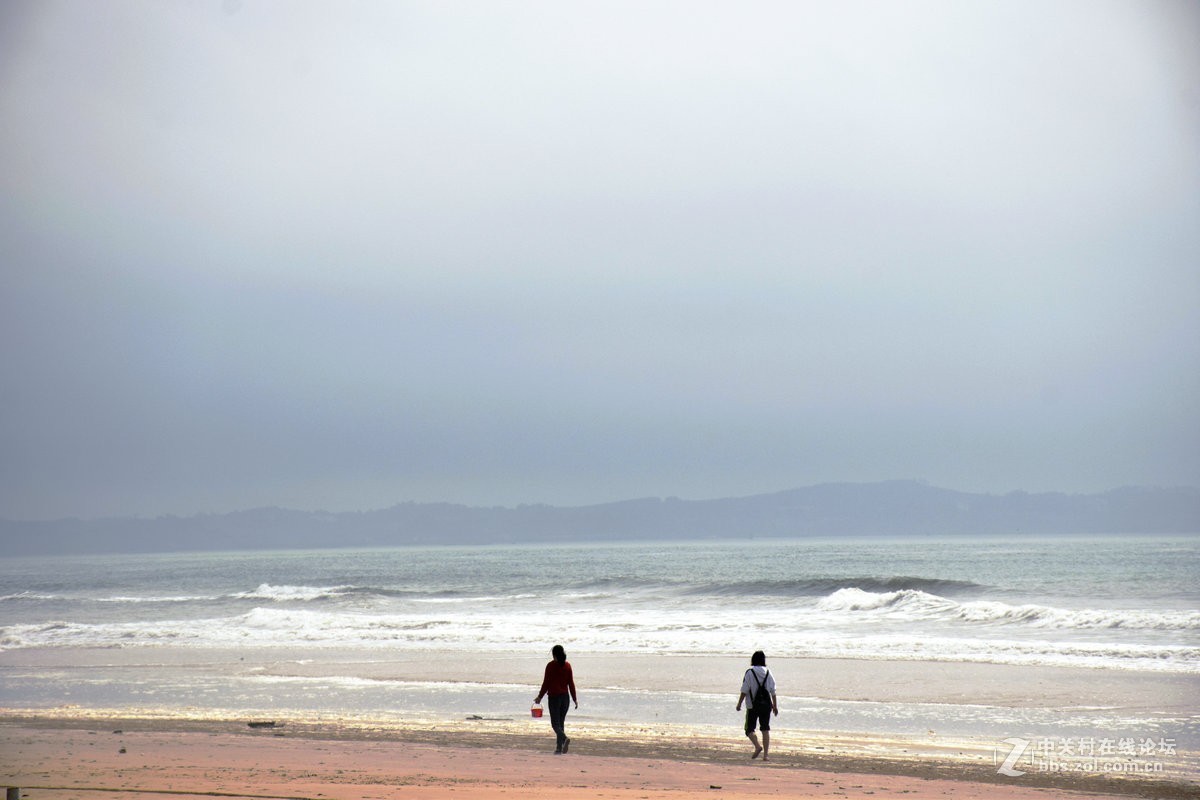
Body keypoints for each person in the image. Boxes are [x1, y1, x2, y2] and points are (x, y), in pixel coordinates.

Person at [534, 644, 578, 754]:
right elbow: (571, 684)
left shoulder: (550, 666)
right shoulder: (567, 666)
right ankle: (559, 748)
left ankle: (564, 738)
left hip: (554, 698)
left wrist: (539, 697)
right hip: (565, 698)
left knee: (555, 724)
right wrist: (574, 699)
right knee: (560, 723)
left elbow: (546, 683)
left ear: (554, 655)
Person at [735, 650, 778, 761]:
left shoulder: (750, 672)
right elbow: (773, 691)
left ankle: (758, 746)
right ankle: (766, 755)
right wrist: (775, 705)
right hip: (766, 705)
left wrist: (739, 703)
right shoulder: (768, 672)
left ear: (753, 660)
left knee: (749, 729)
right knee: (765, 729)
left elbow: (744, 690)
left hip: (752, 706)